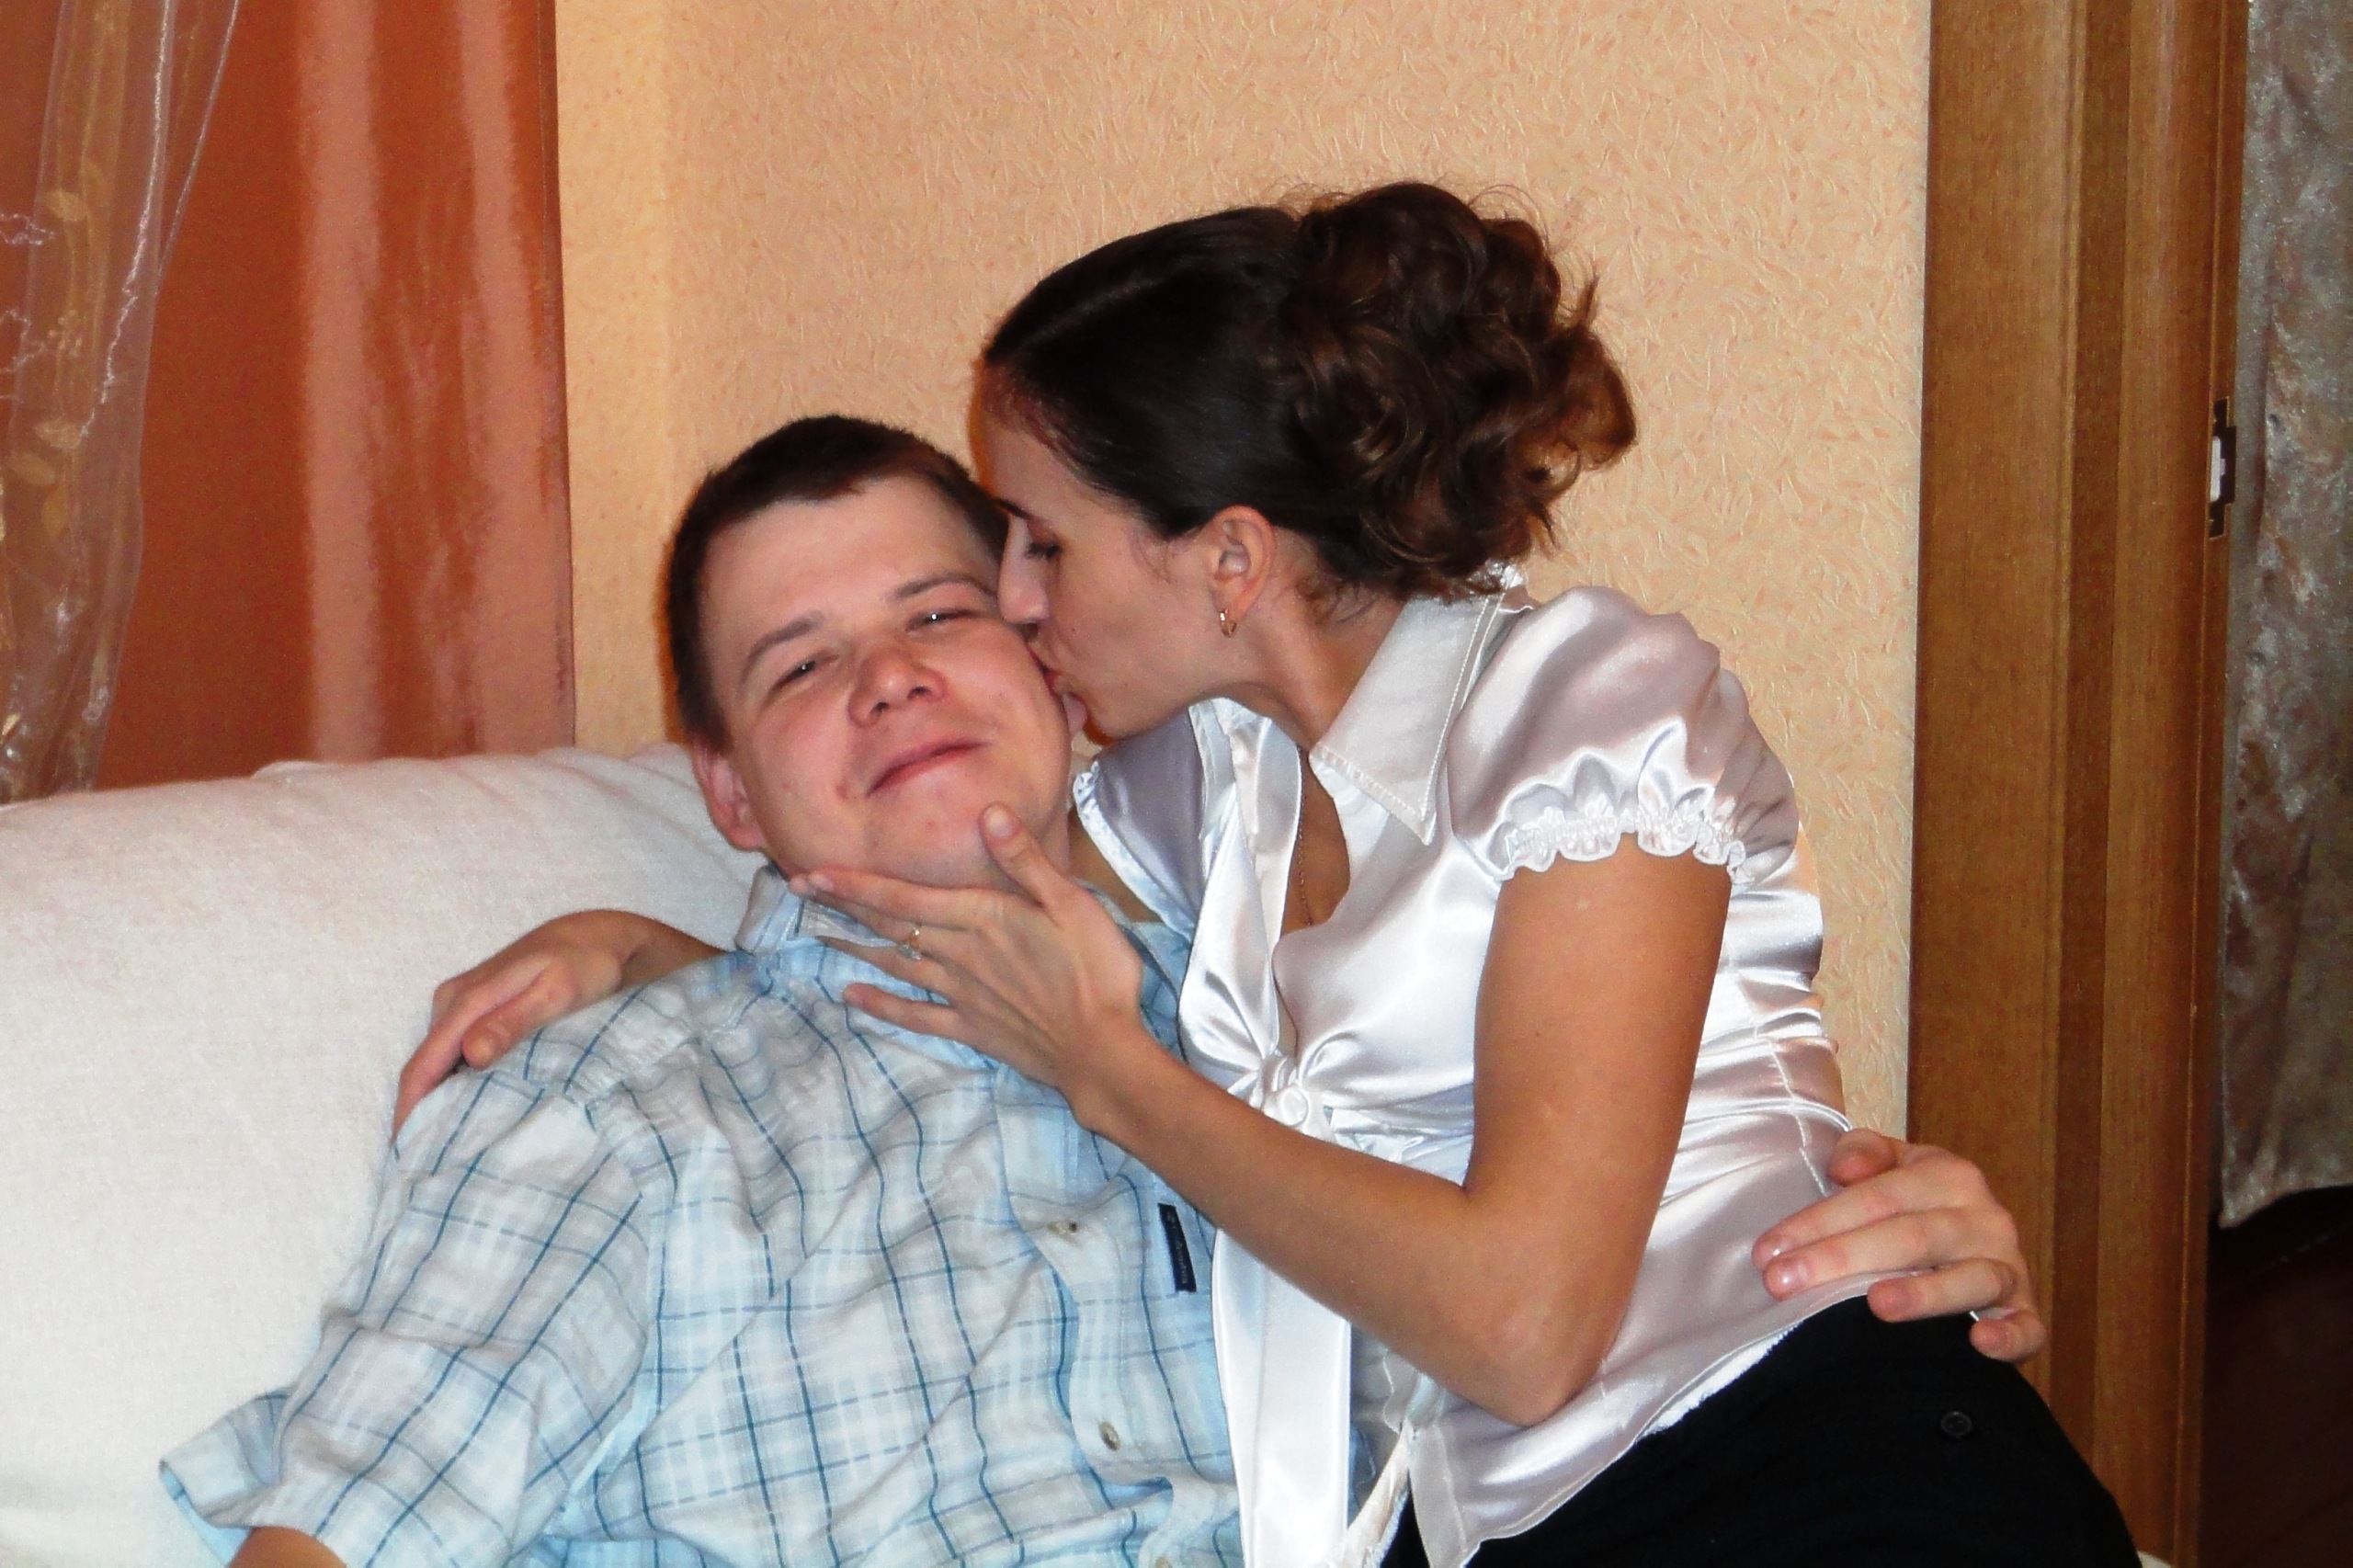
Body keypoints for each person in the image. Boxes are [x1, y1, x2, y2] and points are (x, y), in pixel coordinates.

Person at [407, 187, 2129, 1566]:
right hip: (1474, 1533)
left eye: (1041, 542)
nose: (1014, 600)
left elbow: (1524, 1326)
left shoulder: (1587, 708)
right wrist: (648, 953)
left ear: (1228, 557)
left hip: (1787, 1450)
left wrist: (1115, 1074)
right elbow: (930, 906)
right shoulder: (1194, 786)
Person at [162, 418, 1240, 1567]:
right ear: (729, 790)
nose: (890, 678)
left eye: (937, 615)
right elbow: (347, 1534)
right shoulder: (610, 1107)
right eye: (802, 665)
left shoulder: (1264, 1017)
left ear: (1052, 665)